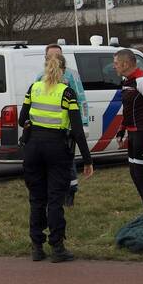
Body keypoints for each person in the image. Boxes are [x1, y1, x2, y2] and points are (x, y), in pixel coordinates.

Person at [19, 54, 94, 263]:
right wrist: (87, 160)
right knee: (55, 200)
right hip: (57, 149)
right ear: (64, 71)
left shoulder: (33, 88)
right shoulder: (67, 93)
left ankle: (36, 247)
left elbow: (21, 119)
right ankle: (57, 248)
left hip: (33, 148)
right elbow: (78, 131)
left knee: (36, 199)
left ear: (45, 68)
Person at [37, 44, 89, 205]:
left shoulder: (71, 76)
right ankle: (52, 193)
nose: (54, 59)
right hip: (46, 130)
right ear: (45, 58)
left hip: (66, 128)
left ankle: (70, 192)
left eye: (57, 56)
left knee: (68, 161)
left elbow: (81, 99)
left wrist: (83, 123)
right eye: (51, 56)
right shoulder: (40, 77)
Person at [113, 49, 143, 211]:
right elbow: (127, 108)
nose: (114, 66)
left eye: (116, 63)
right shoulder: (127, 80)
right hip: (132, 132)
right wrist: (121, 130)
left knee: (141, 175)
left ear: (125, 64)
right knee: (134, 173)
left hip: (142, 133)